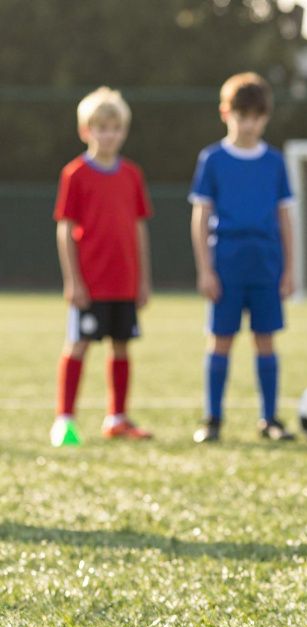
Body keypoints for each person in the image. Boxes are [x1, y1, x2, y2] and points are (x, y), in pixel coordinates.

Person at [189, 72, 297, 443]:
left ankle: (269, 419)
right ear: (226, 113)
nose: (249, 123)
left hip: (266, 263)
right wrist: (205, 269)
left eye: (256, 115)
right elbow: (201, 216)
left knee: (265, 340)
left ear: (265, 116)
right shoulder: (213, 159)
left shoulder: (274, 161)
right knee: (221, 339)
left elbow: (285, 218)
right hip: (227, 263)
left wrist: (289, 269)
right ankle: (213, 418)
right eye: (241, 115)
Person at [50, 86, 154, 446]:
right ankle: (64, 420)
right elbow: (64, 229)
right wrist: (73, 280)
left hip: (124, 282)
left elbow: (139, 228)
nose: (108, 135)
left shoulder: (132, 174)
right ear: (86, 131)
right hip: (91, 283)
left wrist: (143, 280)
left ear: (123, 131)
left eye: (115, 128)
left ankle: (117, 418)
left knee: (122, 345)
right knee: (78, 344)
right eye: (101, 128)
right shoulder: (75, 174)